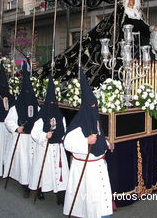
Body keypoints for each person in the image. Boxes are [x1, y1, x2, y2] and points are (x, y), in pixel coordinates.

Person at [63, 70, 113, 218]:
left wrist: (106, 143)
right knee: (89, 201)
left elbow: (99, 135)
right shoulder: (78, 124)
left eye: (95, 106)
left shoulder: (95, 120)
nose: (94, 109)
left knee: (100, 201)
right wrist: (86, 141)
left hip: (98, 165)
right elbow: (67, 143)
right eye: (91, 106)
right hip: (85, 168)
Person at [29, 76, 69, 204]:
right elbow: (34, 132)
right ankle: (40, 189)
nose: (52, 105)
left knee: (60, 172)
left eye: (54, 103)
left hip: (57, 149)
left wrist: (61, 138)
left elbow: (64, 130)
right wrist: (44, 136)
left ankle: (60, 195)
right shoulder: (41, 116)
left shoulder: (60, 116)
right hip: (44, 148)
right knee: (44, 171)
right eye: (50, 103)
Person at [4, 63, 41, 198]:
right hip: (22, 140)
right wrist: (16, 128)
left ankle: (37, 188)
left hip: (34, 140)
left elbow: (41, 122)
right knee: (25, 164)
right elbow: (9, 121)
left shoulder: (37, 108)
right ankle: (25, 185)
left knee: (36, 163)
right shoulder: (16, 108)